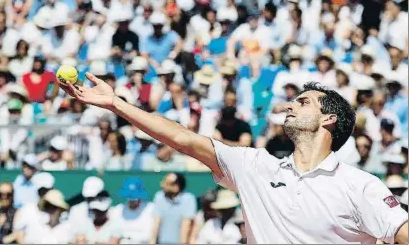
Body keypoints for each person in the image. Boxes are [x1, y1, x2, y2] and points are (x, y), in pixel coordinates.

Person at [61, 75, 409, 243]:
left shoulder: (359, 185)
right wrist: (116, 104)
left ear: (328, 119)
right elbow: (182, 138)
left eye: (303, 102)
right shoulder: (254, 165)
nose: (290, 105)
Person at [150, 172, 197, 244]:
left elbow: (186, 226)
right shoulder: (159, 196)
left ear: (177, 186)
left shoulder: (189, 199)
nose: (162, 185)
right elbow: (156, 224)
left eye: (167, 183)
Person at [110, 178, 154, 244]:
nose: (132, 200)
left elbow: (152, 237)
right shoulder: (117, 210)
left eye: (134, 198)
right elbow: (114, 237)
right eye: (129, 197)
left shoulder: (151, 209)